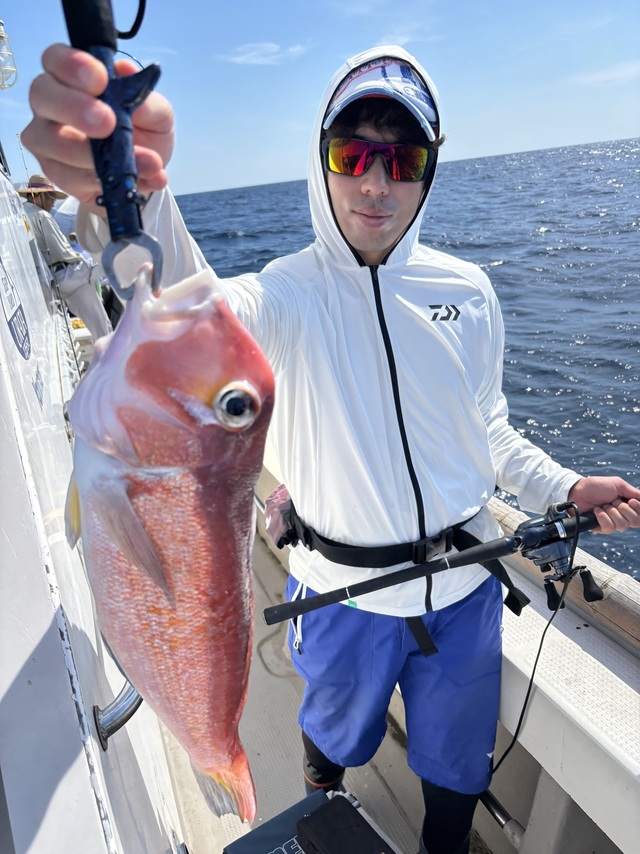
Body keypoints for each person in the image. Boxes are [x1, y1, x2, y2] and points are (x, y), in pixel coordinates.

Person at [23, 43, 640, 854]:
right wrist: (135, 191)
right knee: (331, 742)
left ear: (430, 169)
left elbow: (487, 428)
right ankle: (322, 815)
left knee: (458, 769)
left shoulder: (468, 293)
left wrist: (562, 486)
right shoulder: (287, 293)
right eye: (353, 155)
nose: (376, 183)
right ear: (322, 161)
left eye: (402, 159)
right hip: (340, 595)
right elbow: (192, 320)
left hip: (465, 593)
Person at [18, 173, 112, 342]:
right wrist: (83, 260)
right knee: (112, 262)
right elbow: (63, 252)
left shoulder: (21, 216)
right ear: (39, 196)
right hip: (69, 275)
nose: (53, 203)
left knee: (97, 328)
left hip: (54, 281)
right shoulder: (42, 216)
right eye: (51, 198)